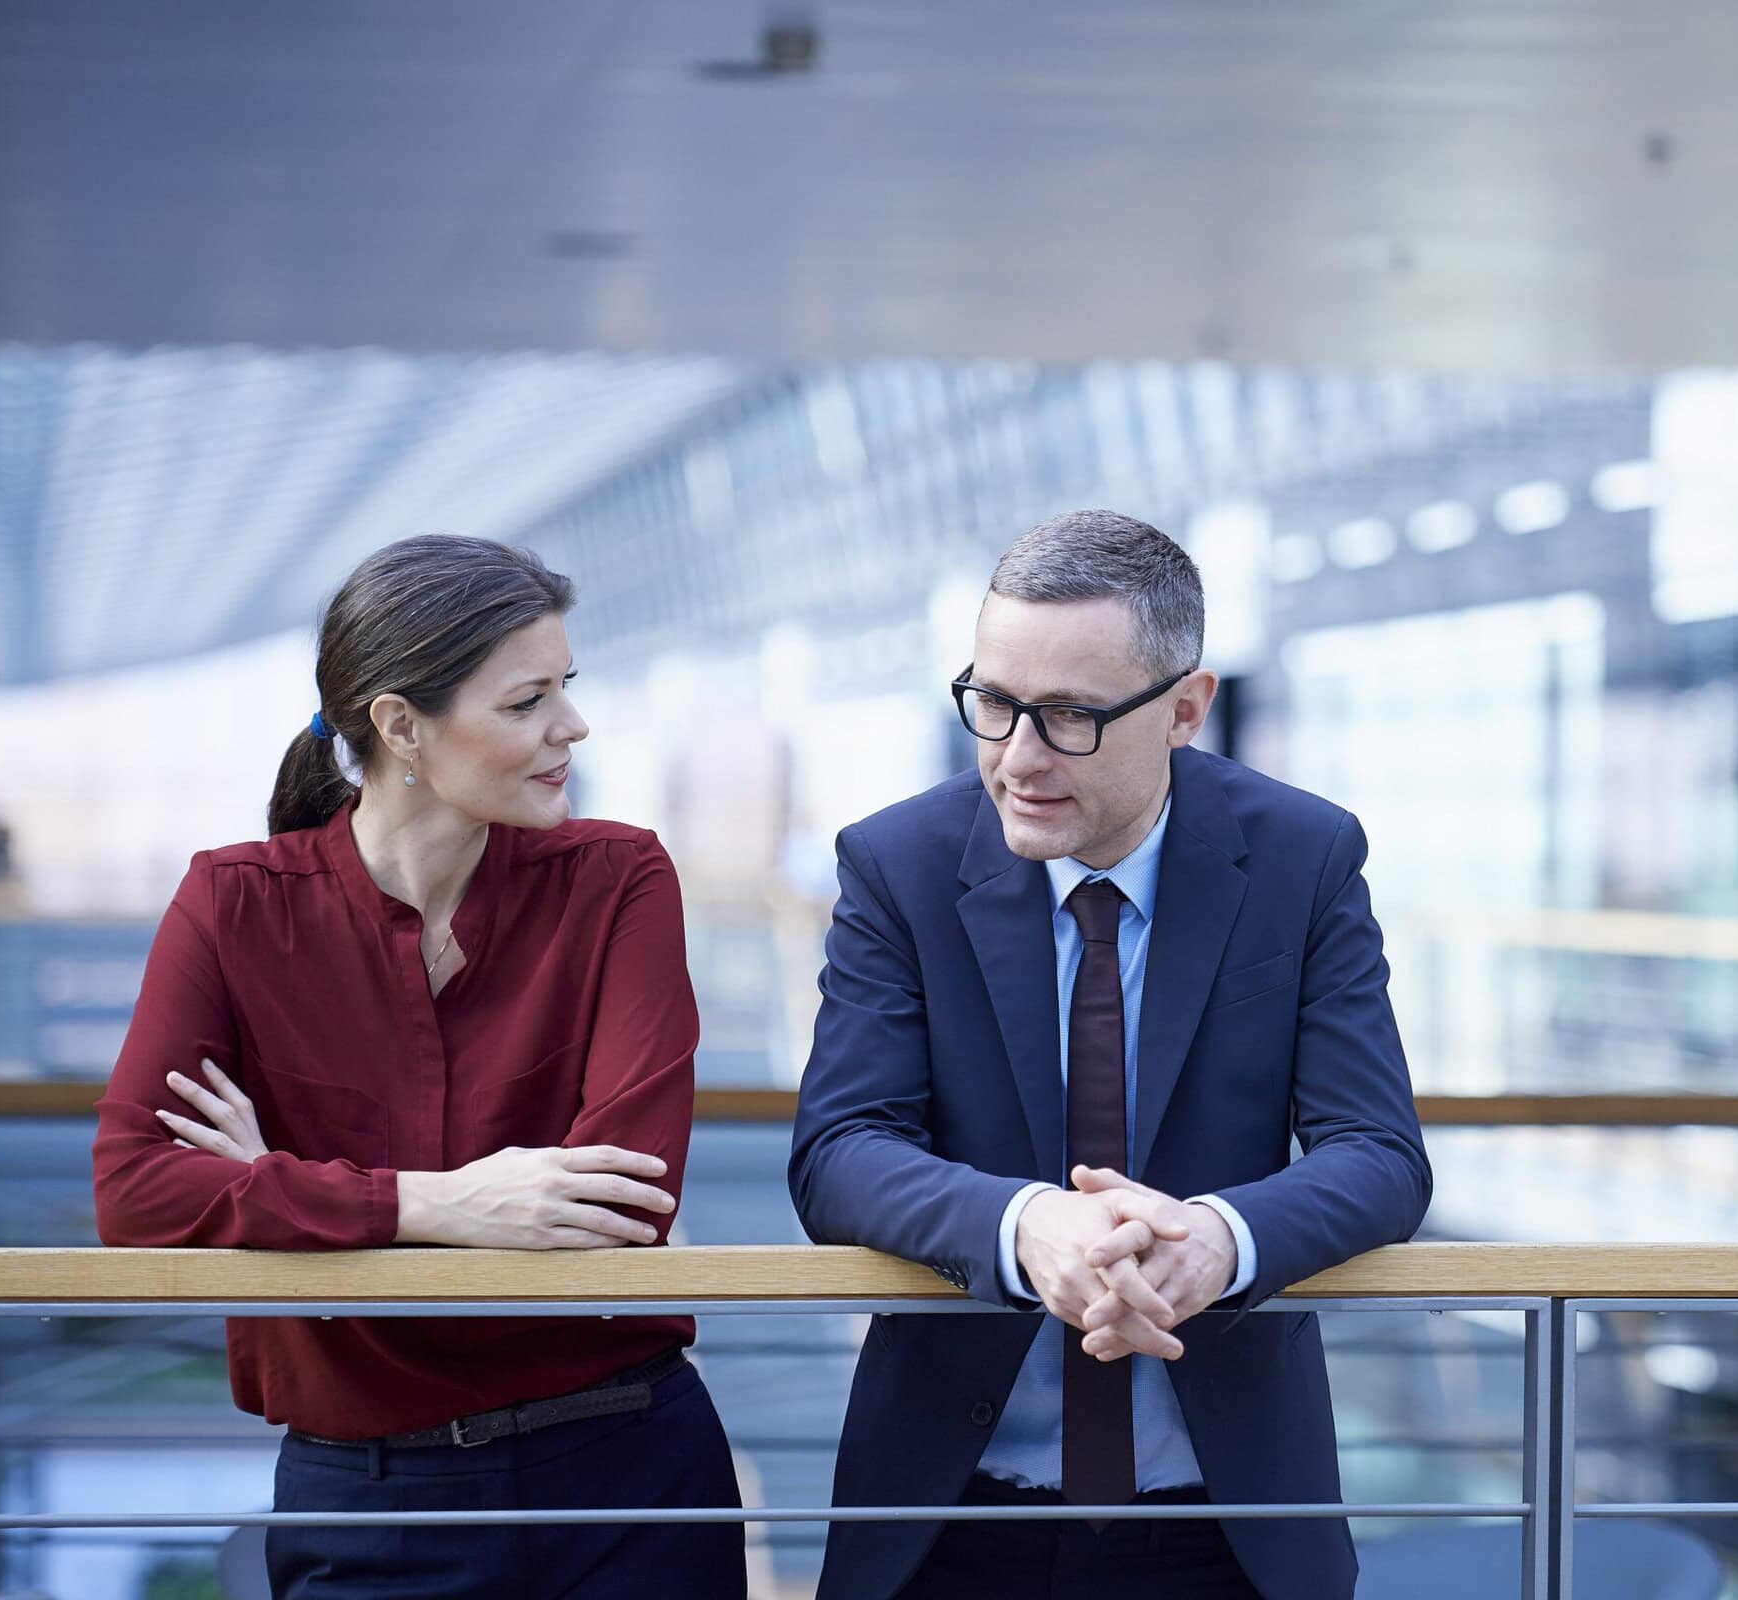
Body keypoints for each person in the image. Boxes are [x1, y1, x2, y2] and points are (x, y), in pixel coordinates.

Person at [790, 510, 1432, 1600]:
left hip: (1228, 1520)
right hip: (948, 1512)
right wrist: (1025, 1226)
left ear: (1186, 709)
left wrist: (1217, 1244)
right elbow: (840, 1150)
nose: (1017, 758)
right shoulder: (895, 864)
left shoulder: (1302, 857)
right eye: (991, 705)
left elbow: (1377, 1152)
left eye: (1071, 717)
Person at [91, 534, 744, 1600]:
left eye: (564, 689)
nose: (570, 726)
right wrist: (443, 1202)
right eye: (527, 700)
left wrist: (274, 1188)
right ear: (400, 724)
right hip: (368, 1499)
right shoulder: (234, 905)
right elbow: (132, 1191)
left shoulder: (618, 878)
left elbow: (615, 1204)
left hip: (628, 1478)